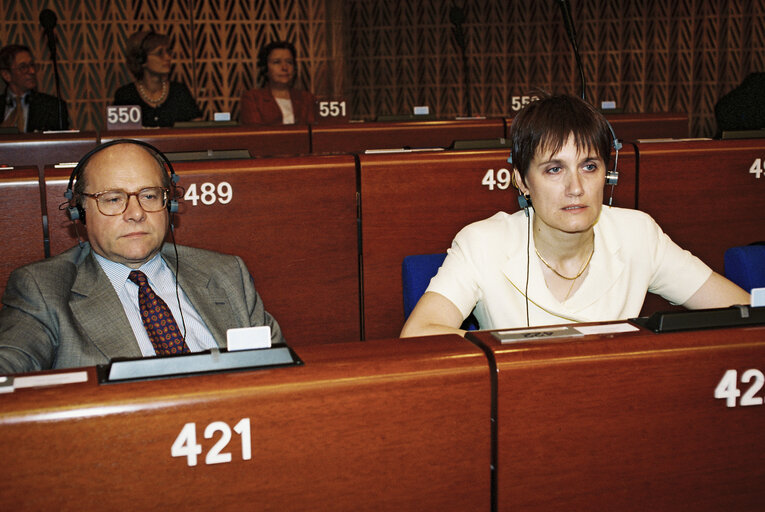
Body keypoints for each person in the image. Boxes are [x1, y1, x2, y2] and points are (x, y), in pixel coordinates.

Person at [400, 93, 750, 337]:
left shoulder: (638, 234)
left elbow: (744, 311)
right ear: (522, 182)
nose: (576, 187)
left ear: (607, 177)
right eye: (554, 169)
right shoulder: (483, 243)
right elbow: (420, 332)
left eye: (589, 166)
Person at [0, 140, 284, 374]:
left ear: (168, 205)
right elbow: (9, 368)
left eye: (148, 196)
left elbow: (279, 372)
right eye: (113, 199)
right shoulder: (43, 289)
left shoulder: (226, 272)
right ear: (80, 212)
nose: (135, 213)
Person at [114, 31, 202, 127]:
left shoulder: (179, 92)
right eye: (159, 53)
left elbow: (198, 131)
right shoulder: (125, 96)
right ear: (141, 59)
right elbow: (118, 135)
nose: (168, 57)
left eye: (168, 52)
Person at [240, 40, 316, 125]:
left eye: (289, 62)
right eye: (277, 62)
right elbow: (255, 134)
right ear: (265, 68)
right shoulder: (253, 99)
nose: (284, 68)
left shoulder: (307, 98)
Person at [0, 44, 69, 132]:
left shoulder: (52, 107)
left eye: (32, 65)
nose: (32, 71)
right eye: (23, 67)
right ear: (6, 75)